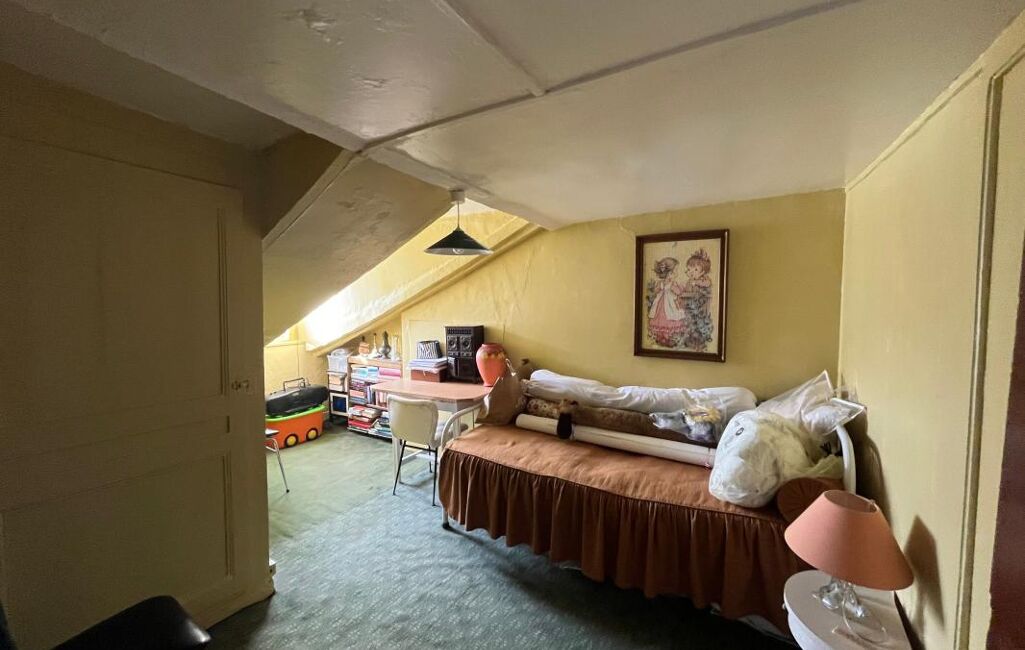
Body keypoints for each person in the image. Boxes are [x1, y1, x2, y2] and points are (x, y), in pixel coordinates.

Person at [647, 256, 686, 347]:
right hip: (664, 304)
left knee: (669, 317)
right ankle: (662, 337)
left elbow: (678, 292)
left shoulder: (669, 283)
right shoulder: (666, 283)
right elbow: (656, 291)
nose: (677, 273)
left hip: (667, 304)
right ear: (670, 273)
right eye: (676, 271)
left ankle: (667, 338)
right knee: (663, 318)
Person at [680, 249, 714, 351]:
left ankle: (699, 342)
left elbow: (707, 284)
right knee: (688, 323)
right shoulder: (690, 281)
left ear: (703, 272)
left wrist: (697, 283)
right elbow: (687, 291)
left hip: (700, 308)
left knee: (698, 324)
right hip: (690, 307)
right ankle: (690, 340)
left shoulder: (704, 280)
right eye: (689, 269)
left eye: (695, 270)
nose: (691, 272)